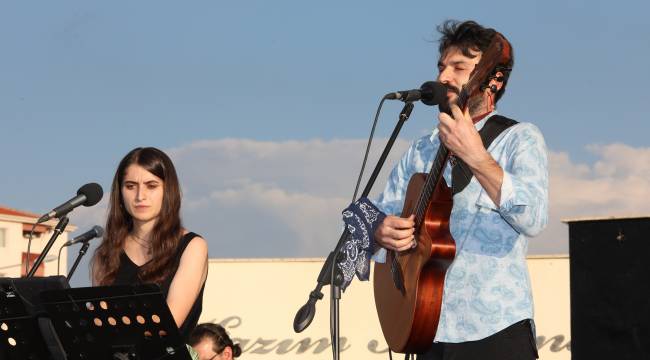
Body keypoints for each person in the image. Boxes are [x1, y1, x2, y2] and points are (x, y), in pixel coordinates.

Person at [373, 20, 548, 360]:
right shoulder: (421, 148)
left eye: (458, 67)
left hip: (495, 327)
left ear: (492, 79)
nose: (442, 78)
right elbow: (376, 211)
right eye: (441, 67)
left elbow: (535, 218)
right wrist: (380, 230)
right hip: (425, 327)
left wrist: (477, 158)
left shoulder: (521, 138)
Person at [91, 147, 208, 341]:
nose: (140, 196)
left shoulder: (192, 246)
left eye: (151, 185)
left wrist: (111, 321)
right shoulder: (105, 254)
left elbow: (166, 324)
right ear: (120, 193)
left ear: (167, 190)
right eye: (130, 186)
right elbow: (99, 323)